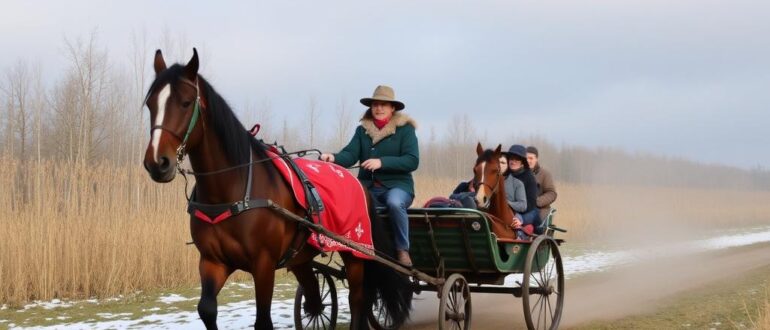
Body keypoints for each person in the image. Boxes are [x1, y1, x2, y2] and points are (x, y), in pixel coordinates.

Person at [320, 85, 419, 266]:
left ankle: (402, 250)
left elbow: (412, 160)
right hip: (368, 187)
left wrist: (382, 162)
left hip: (398, 187)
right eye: (375, 105)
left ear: (392, 108)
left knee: (395, 204)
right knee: (346, 203)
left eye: (383, 105)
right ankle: (353, 246)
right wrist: (333, 157)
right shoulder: (362, 131)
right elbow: (350, 154)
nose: (378, 108)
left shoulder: (405, 130)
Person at [505, 144, 541, 235]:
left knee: (516, 221)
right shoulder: (505, 174)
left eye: (516, 159)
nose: (513, 162)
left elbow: (531, 203)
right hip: (509, 208)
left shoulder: (529, 177)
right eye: (511, 159)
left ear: (522, 162)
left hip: (529, 210)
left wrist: (520, 218)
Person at [526, 146, 557, 221]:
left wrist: (536, 202)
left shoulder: (545, 174)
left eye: (531, 158)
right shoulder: (519, 173)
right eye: (526, 158)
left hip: (540, 209)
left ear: (536, 159)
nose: (528, 161)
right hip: (521, 207)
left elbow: (552, 193)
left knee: (535, 225)